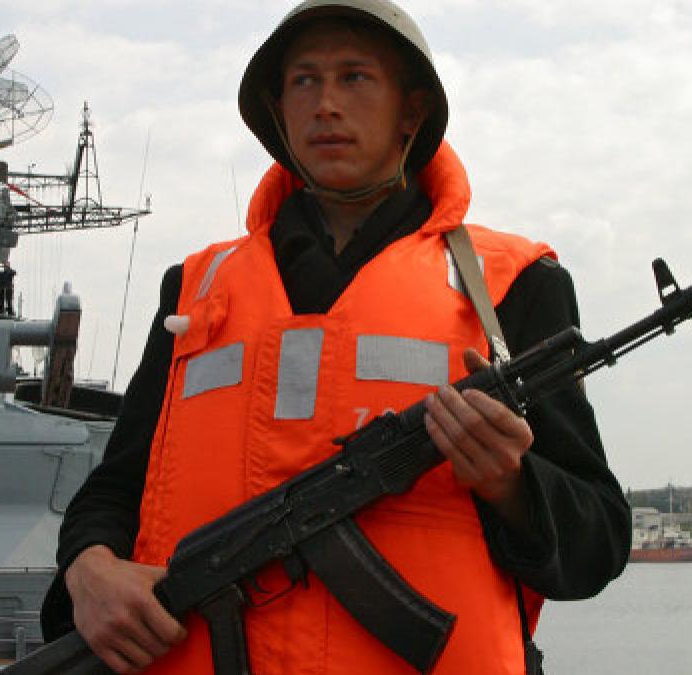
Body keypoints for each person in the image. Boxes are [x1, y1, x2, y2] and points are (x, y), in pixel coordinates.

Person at [41, 1, 631, 673]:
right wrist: (87, 569)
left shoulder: (512, 287)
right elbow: (115, 492)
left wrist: (512, 483)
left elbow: (600, 538)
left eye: (354, 77)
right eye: (304, 81)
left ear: (411, 110)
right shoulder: (194, 291)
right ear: (279, 110)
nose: (325, 104)